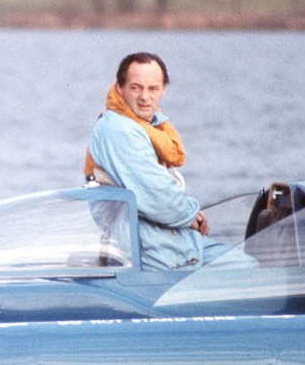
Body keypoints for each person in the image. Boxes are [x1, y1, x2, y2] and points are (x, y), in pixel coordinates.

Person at [84, 52, 230, 271]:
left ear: (163, 90)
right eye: (136, 88)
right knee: (248, 278)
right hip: (143, 249)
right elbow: (156, 194)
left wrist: (187, 215)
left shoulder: (148, 126)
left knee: (250, 267)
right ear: (120, 88)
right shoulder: (118, 129)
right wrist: (190, 215)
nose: (145, 97)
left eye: (153, 89)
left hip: (168, 240)